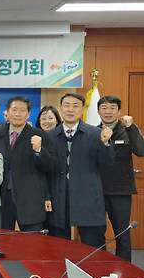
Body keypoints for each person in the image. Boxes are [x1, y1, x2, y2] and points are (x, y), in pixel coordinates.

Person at [48, 93, 115, 248]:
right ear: (61, 108)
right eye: (66, 105)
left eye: (75, 106)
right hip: (59, 198)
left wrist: (105, 144)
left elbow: (107, 162)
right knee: (58, 247)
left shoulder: (96, 134)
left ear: (83, 109)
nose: (70, 109)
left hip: (88, 199)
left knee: (93, 247)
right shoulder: (50, 136)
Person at [97, 95, 144, 261]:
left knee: (122, 235)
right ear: (98, 111)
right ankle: (98, 268)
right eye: (104, 108)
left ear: (119, 111)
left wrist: (131, 127)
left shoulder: (127, 130)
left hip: (120, 191)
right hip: (97, 191)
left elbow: (142, 151)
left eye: (112, 108)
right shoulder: (92, 132)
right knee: (96, 234)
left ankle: (125, 271)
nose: (108, 111)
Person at [0, 96, 54, 232]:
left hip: (30, 197)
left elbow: (48, 167)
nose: (17, 114)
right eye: (14, 110)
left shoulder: (39, 135)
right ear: (7, 112)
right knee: (3, 238)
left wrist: (39, 150)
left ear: (28, 114)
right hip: (2, 197)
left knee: (33, 240)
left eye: (22, 110)